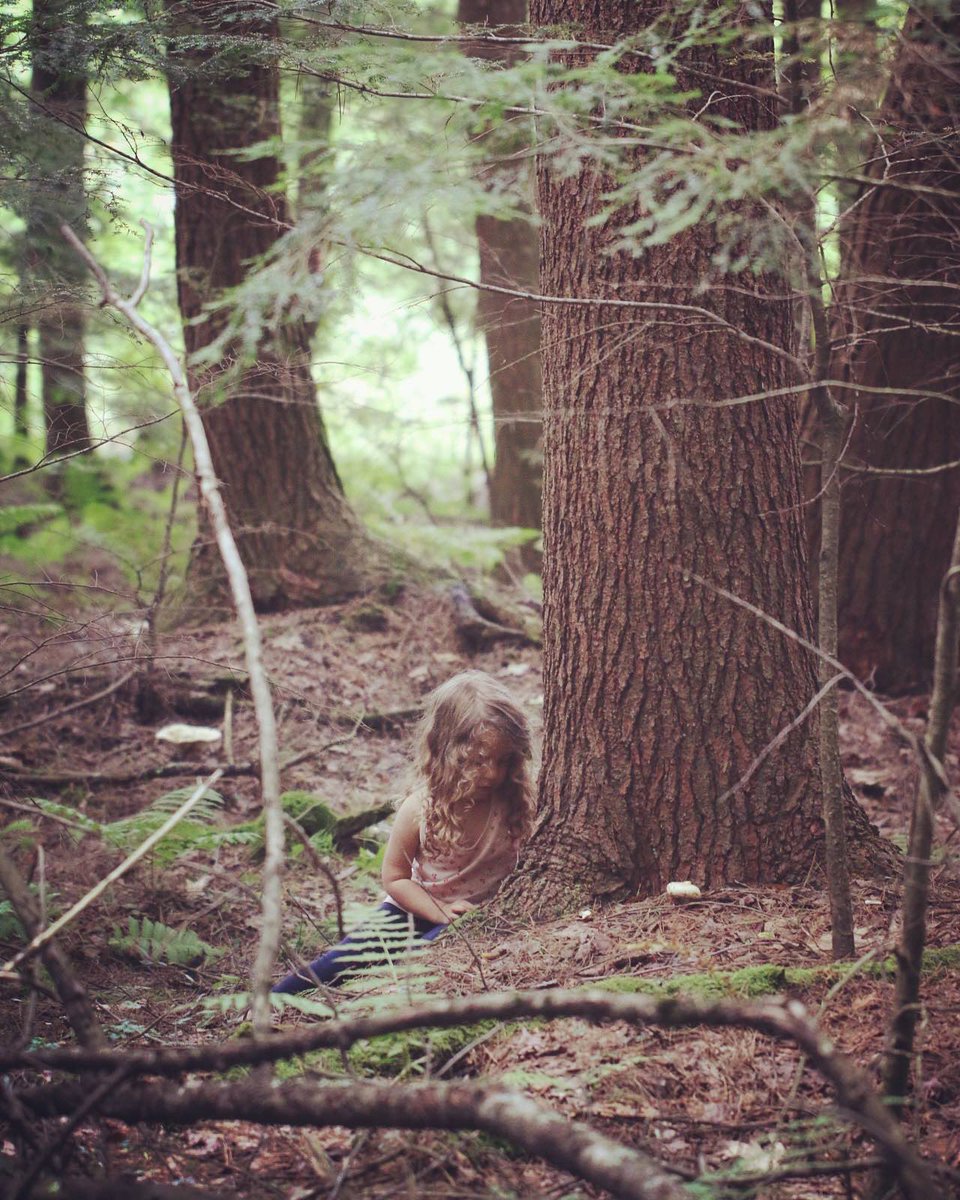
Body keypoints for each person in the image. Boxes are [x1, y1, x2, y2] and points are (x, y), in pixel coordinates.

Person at [272, 670, 535, 996]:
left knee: (424, 962)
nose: (492, 773)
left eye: (504, 761)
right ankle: (267, 1005)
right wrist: (438, 912)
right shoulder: (422, 808)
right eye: (477, 761)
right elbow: (395, 876)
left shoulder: (515, 801)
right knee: (339, 961)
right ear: (446, 751)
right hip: (411, 908)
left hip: (474, 920)